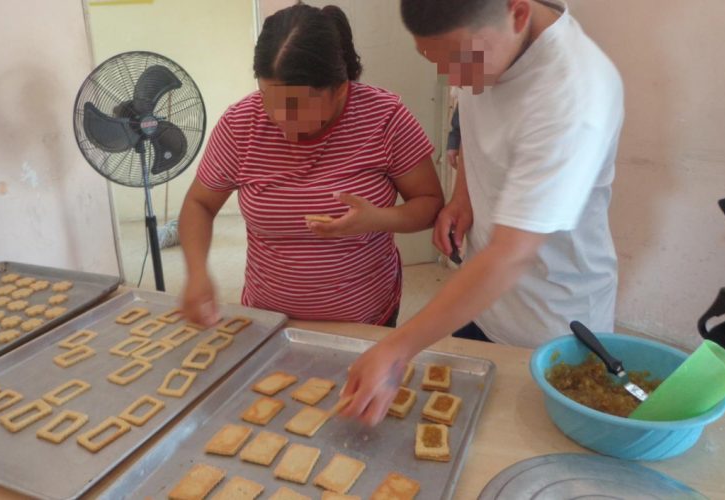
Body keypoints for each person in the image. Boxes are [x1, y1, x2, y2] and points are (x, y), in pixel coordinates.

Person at [340, 0, 624, 425]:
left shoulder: (573, 95)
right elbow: (474, 126)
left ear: (518, 12)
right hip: (477, 299)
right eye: (433, 59)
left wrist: (397, 346)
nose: (452, 79)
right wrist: (463, 197)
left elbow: (513, 253)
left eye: (458, 60)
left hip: (551, 320)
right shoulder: (480, 50)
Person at [178, 3, 443, 328]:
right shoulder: (240, 124)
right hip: (269, 319)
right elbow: (199, 203)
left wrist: (377, 219)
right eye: (267, 99)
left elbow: (430, 204)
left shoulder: (384, 117)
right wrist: (196, 272)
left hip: (367, 319)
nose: (279, 121)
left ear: (340, 90)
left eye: (296, 109)